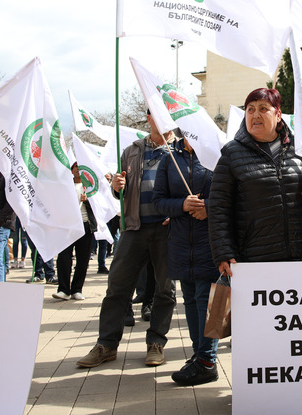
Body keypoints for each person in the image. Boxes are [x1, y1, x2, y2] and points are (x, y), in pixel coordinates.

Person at [75, 111, 177, 369]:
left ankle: (156, 342)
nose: (162, 121)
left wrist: (176, 212)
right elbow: (120, 189)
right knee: (117, 288)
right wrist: (116, 187)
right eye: (156, 115)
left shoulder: (182, 150)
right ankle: (106, 344)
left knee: (165, 290)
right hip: (134, 227)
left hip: (167, 230)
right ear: (148, 118)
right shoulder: (131, 150)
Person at [208, 87, 302, 277]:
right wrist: (223, 252)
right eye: (250, 109)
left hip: (300, 255)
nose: (256, 114)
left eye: (263, 109)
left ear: (278, 114)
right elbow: (218, 208)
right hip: (254, 259)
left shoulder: (301, 148)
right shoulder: (232, 154)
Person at [153, 138, 220, 386]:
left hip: (210, 241)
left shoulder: (217, 152)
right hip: (180, 243)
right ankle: (198, 356)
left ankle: (207, 360)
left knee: (207, 300)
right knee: (190, 299)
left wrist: (209, 207)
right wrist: (181, 204)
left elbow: (233, 196)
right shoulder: (169, 158)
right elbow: (158, 201)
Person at [53, 163, 97, 300]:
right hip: (68, 226)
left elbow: (99, 206)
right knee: (64, 258)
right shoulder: (65, 185)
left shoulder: (90, 187)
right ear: (71, 170)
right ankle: (63, 289)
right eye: (75, 167)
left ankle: (77, 289)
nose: (77, 169)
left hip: (86, 226)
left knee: (82, 259)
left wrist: (88, 200)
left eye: (80, 167)